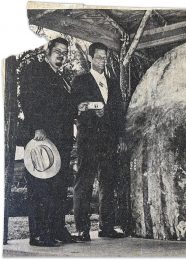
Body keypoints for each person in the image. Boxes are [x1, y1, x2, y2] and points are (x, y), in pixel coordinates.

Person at [20, 37, 77, 246]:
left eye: (64, 52)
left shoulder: (61, 78)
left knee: (58, 187)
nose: (61, 54)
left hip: (61, 140)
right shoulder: (35, 70)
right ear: (48, 51)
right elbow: (27, 98)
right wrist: (37, 127)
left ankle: (57, 229)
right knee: (40, 187)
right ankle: (39, 234)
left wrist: (77, 109)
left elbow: (64, 107)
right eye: (58, 50)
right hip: (41, 137)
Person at [72, 42, 127, 241]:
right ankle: (82, 229)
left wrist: (120, 136)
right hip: (88, 140)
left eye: (104, 58)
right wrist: (89, 111)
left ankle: (107, 227)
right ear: (90, 58)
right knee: (84, 183)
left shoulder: (112, 83)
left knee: (108, 184)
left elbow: (119, 112)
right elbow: (75, 108)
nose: (102, 61)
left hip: (109, 141)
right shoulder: (81, 80)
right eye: (98, 58)